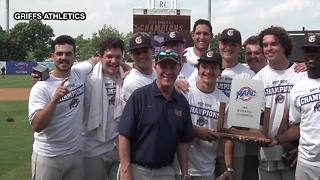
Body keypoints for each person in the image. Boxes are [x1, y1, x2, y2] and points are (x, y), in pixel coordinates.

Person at [28, 35, 99, 180]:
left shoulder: (79, 72)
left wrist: (126, 67)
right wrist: (54, 100)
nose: (63, 57)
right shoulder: (41, 86)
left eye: (68, 54)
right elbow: (36, 125)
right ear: (52, 56)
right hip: (48, 157)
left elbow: (97, 59)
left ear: (74, 57)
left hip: (76, 154)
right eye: (59, 54)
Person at [118, 50, 194, 180]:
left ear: (179, 69)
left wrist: (185, 174)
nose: (168, 72)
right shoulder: (139, 96)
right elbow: (124, 136)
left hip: (166, 172)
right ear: (155, 67)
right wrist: (125, 171)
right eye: (163, 66)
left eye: (172, 67)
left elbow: (183, 142)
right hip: (137, 170)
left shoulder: (182, 102)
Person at [253, 26, 306, 180]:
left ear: (284, 46)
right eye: (265, 45)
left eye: (273, 44)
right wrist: (253, 133)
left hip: (294, 153)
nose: (268, 48)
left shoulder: (301, 74)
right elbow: (254, 118)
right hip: (267, 154)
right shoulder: (258, 79)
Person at [270, 33, 320, 180]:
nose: (312, 55)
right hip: (306, 162)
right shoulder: (298, 89)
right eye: (308, 51)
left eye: (316, 50)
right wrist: (278, 139)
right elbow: (298, 126)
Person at [182, 50, 231, 180]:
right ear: (198, 68)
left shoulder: (224, 101)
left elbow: (227, 138)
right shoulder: (186, 92)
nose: (209, 72)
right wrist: (196, 131)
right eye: (204, 67)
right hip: (181, 167)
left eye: (214, 68)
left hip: (206, 169)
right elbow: (175, 124)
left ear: (220, 71)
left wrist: (229, 167)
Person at [82, 36, 125, 180]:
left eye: (118, 57)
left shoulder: (125, 79)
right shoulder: (88, 80)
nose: (114, 61)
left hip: (118, 150)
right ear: (100, 57)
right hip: (92, 151)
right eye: (109, 56)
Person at [121, 32, 156, 103]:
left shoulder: (157, 73)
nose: (142, 56)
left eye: (145, 51)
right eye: (137, 53)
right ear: (131, 55)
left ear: (152, 51)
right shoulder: (132, 82)